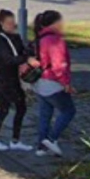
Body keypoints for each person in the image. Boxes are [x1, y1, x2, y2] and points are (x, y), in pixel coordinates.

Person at [0, 8, 36, 152]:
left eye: (13, 22)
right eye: (9, 23)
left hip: (13, 80)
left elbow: (22, 52)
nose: (12, 25)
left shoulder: (15, 37)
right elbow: (8, 60)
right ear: (1, 23)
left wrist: (30, 51)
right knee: (4, 109)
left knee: (21, 107)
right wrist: (26, 59)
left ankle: (15, 140)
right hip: (3, 81)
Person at [33, 9, 75, 155]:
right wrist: (66, 83)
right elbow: (59, 65)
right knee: (68, 111)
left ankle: (41, 147)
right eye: (60, 21)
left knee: (45, 116)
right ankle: (51, 139)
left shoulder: (39, 38)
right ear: (54, 23)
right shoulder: (55, 40)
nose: (62, 24)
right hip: (53, 84)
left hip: (40, 83)